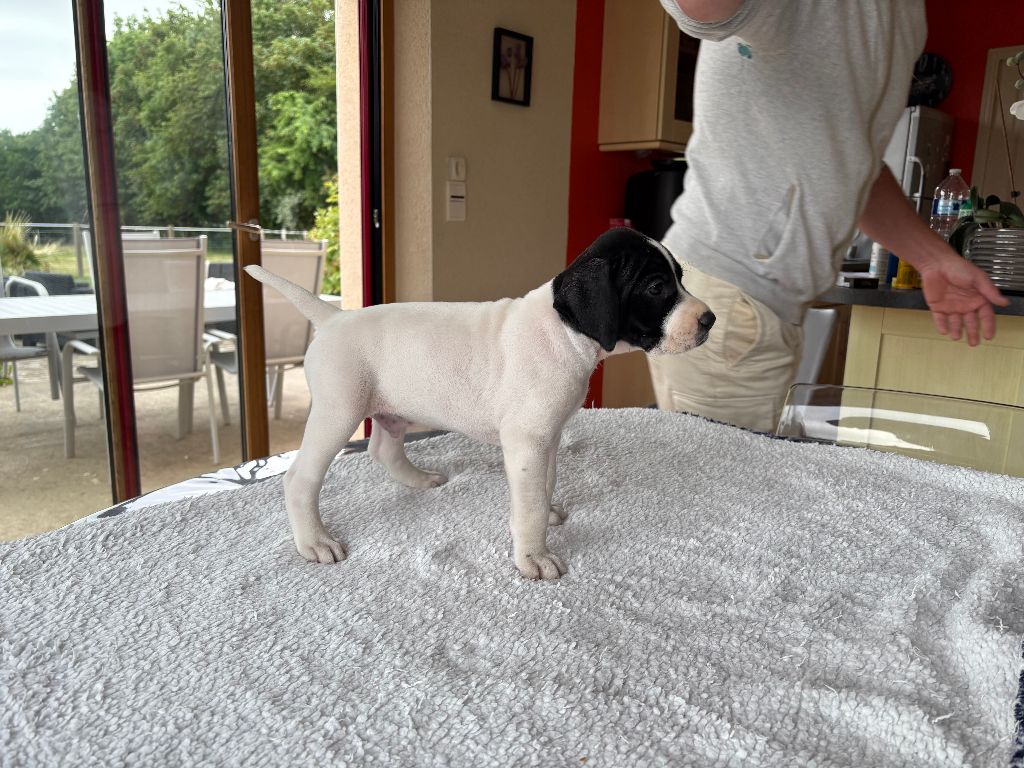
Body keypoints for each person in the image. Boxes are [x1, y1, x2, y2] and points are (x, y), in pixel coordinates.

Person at [648, 0, 1009, 433]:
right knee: (719, 477)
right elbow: (703, 7)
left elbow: (855, 167)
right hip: (728, 299)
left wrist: (932, 259)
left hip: (762, 310)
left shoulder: (906, 17)